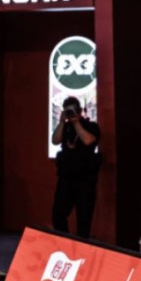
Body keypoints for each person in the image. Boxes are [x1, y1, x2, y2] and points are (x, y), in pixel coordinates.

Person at [50, 95, 101, 238]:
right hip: (66, 178)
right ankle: (65, 243)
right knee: (58, 214)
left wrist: (76, 122)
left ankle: (81, 247)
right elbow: (55, 140)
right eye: (68, 111)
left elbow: (88, 140)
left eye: (73, 110)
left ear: (79, 111)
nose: (70, 113)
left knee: (84, 220)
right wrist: (62, 122)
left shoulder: (91, 126)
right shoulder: (65, 127)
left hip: (86, 180)